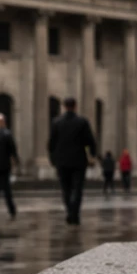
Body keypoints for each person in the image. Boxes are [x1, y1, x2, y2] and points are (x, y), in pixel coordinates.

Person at [48, 97, 97, 226]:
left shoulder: (57, 122)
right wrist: (92, 154)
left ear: (64, 107)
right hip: (78, 160)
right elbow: (90, 140)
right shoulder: (82, 122)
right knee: (77, 188)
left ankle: (70, 211)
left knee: (66, 189)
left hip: (62, 161)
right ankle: (74, 214)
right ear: (75, 106)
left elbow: (51, 143)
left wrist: (53, 159)